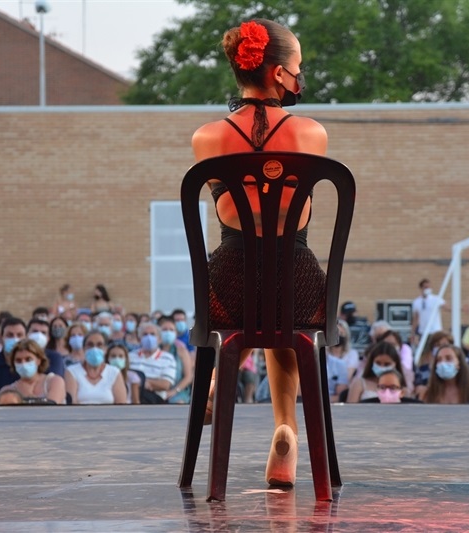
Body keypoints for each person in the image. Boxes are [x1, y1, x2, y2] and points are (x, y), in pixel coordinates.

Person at [192, 18, 326, 486]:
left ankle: (217, 379)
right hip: (298, 281)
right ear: (279, 73)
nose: (300, 76)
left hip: (227, 282)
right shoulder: (311, 134)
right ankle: (285, 429)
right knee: (280, 309)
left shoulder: (206, 137)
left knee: (254, 298)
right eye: (298, 66)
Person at [65, 331, 126, 404]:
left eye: (99, 345)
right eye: (90, 345)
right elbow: (71, 404)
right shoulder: (72, 371)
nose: (94, 349)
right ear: (84, 349)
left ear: (105, 349)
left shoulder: (114, 373)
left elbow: (121, 405)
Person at [0, 339, 65, 405]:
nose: (23, 363)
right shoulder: (8, 390)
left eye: (28, 359)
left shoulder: (54, 381)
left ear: (39, 360)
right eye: (18, 360)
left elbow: (52, 408)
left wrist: (28, 394)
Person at [128, 321, 177, 404]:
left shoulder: (168, 358)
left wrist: (140, 382)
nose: (149, 337)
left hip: (154, 399)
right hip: (130, 397)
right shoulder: (130, 356)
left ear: (159, 339)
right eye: (145, 334)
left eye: (152, 334)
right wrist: (150, 383)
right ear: (139, 339)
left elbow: (165, 385)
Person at [157, 315, 193, 404]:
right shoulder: (155, 350)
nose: (168, 332)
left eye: (171, 330)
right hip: (158, 389)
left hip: (178, 391)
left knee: (178, 403)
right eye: (164, 330)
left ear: (175, 333)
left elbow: (188, 377)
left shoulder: (181, 351)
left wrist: (174, 391)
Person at [370, 323, 414, 396]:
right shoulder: (365, 368)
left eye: (387, 364)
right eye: (378, 363)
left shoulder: (406, 373)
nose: (388, 348)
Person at [410, 278, 447, 346]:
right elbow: (415, 319)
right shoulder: (417, 302)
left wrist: (460, 308)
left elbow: (446, 307)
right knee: (425, 349)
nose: (428, 289)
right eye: (426, 287)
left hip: (435, 331)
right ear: (421, 288)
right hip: (423, 331)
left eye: (429, 287)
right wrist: (412, 333)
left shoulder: (436, 299)